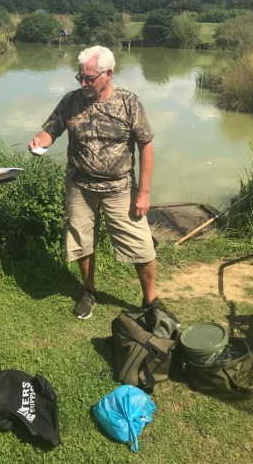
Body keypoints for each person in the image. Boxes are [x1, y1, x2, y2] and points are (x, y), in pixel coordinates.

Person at [28, 45, 164, 320]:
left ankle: (150, 301)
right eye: (81, 77)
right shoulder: (71, 101)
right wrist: (39, 142)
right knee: (81, 241)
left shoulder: (128, 102)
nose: (84, 83)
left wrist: (144, 193)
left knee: (141, 246)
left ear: (108, 74)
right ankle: (89, 291)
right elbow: (50, 130)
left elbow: (145, 145)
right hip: (80, 186)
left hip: (120, 188)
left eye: (90, 78)